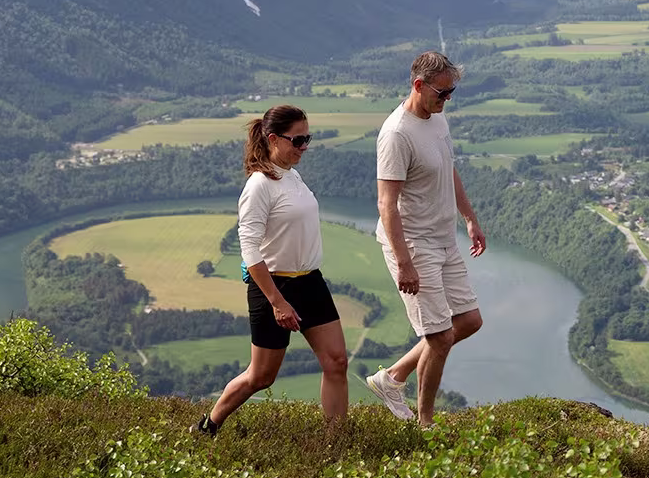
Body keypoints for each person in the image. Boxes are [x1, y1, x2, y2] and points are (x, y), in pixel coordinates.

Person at [196, 105, 348, 435]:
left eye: (308, 138)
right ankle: (209, 425)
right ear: (273, 139)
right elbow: (249, 250)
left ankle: (337, 443)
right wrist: (278, 302)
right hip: (273, 287)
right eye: (297, 140)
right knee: (262, 376)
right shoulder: (258, 186)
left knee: (336, 361)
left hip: (310, 281)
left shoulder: (291, 175)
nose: (304, 146)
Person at [366, 51, 485, 427]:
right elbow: (387, 204)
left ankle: (392, 378)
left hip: (443, 239)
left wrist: (469, 217)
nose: (447, 99)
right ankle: (426, 423)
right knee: (439, 338)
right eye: (443, 92)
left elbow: (448, 169)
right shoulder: (397, 134)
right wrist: (404, 262)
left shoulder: (436, 118)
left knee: (468, 321)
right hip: (414, 245)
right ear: (419, 85)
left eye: (451, 93)